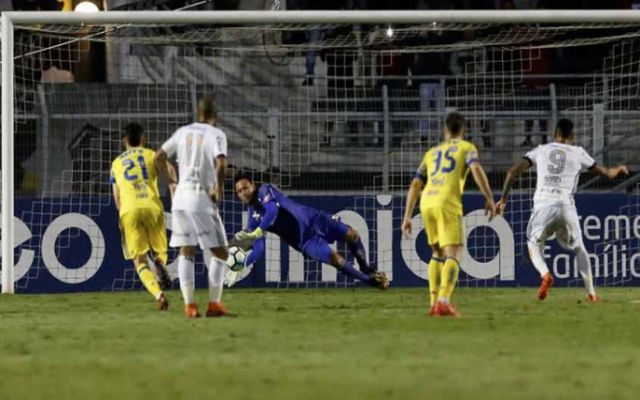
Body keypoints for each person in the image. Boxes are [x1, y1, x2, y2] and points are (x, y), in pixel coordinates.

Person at [497, 118, 629, 301]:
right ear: (572, 137)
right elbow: (606, 174)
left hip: (543, 205)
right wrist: (619, 168)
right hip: (566, 207)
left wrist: (503, 199)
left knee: (532, 243)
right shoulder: (578, 152)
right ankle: (592, 294)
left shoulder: (541, 150)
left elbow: (512, 172)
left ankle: (545, 275)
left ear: (554, 135)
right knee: (580, 249)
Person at [402, 112, 496, 317]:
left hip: (427, 201)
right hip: (447, 201)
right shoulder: (466, 148)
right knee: (454, 253)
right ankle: (444, 300)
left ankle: (434, 302)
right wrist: (489, 197)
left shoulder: (432, 152)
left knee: (437, 253)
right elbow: (476, 168)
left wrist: (407, 216)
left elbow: (416, 183)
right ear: (463, 130)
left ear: (445, 130)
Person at [230, 174, 389, 289]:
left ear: (252, 185)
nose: (244, 192)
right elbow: (259, 248)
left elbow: (272, 211)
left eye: (245, 187)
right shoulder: (253, 219)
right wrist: (244, 262)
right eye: (239, 191)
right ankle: (369, 280)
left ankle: (366, 267)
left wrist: (258, 231)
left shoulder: (265, 190)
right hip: (304, 241)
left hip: (315, 219)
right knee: (336, 260)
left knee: (352, 234)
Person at [154, 96, 230, 318]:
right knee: (221, 253)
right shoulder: (216, 134)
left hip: (180, 201)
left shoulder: (183, 132)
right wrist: (219, 188)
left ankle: (190, 305)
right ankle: (214, 304)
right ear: (214, 116)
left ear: (198, 114)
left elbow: (159, 156)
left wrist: (170, 181)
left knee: (186, 252)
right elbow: (222, 162)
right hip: (201, 200)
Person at [110, 123, 172, 311]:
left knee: (140, 260)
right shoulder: (152, 155)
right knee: (160, 252)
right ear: (143, 139)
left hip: (129, 209)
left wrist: (123, 215)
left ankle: (158, 294)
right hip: (152, 205)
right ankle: (160, 263)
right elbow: (168, 171)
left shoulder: (116, 163)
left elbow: (117, 197)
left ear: (124, 141)